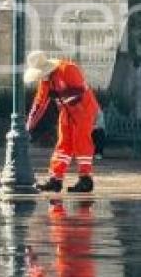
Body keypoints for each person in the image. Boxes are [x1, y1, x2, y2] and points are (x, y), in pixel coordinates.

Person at [26, 51, 100, 193]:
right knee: (63, 144)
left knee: (81, 142)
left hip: (84, 109)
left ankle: (85, 179)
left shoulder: (68, 68)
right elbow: (39, 103)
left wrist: (61, 95)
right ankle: (55, 179)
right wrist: (29, 126)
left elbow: (79, 93)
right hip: (67, 111)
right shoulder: (46, 80)